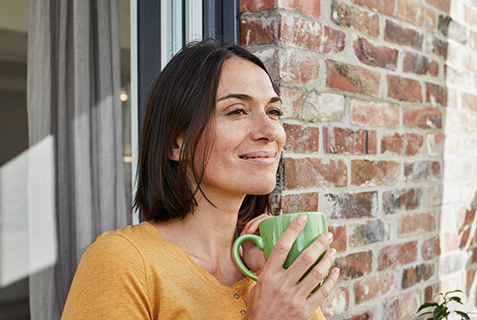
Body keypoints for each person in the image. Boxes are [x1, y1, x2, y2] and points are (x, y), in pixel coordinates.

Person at [61, 39, 339, 319]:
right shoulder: (122, 262)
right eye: (237, 111)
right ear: (176, 142)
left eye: (273, 111)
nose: (270, 131)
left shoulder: (269, 269)